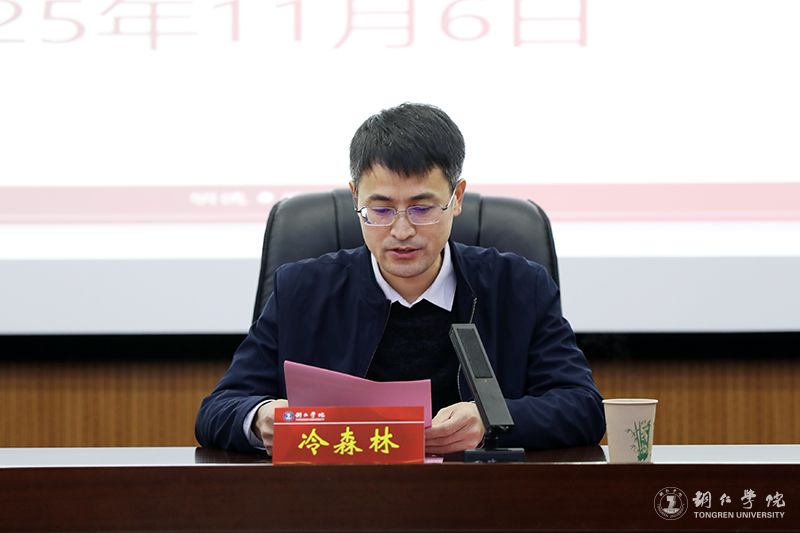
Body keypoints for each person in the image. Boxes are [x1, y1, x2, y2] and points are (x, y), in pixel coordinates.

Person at [195, 103, 605, 454]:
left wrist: (492, 420)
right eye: (381, 210)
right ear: (355, 197)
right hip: (337, 499)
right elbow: (218, 410)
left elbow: (583, 407)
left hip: (481, 500)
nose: (402, 230)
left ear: (456, 198)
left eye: (422, 208)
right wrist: (260, 419)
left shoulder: (518, 287)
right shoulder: (302, 290)